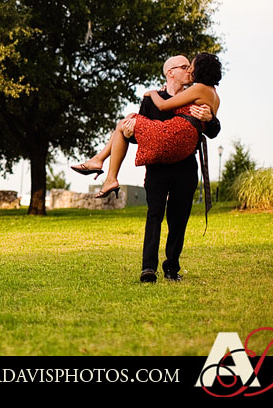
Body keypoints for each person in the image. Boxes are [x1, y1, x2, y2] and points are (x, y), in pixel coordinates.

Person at [72, 53, 222, 282]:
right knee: (154, 216)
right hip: (157, 167)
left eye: (189, 67)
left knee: (178, 219)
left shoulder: (194, 94)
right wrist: (131, 133)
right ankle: (148, 268)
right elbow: (137, 135)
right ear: (170, 72)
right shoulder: (151, 100)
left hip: (185, 166)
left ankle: (172, 268)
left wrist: (210, 118)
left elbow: (212, 130)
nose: (189, 71)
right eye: (183, 67)